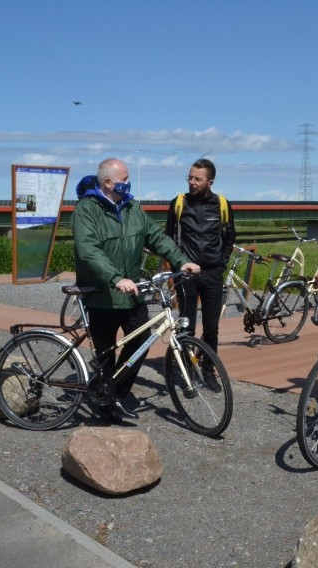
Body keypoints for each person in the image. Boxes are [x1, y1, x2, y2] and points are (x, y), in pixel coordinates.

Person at [72, 157, 200, 421]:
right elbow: (88, 250)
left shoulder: (132, 207)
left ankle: (114, 393)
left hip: (131, 291)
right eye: (124, 179)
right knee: (106, 353)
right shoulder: (87, 209)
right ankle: (105, 406)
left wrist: (181, 260)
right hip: (100, 294)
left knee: (141, 340)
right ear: (108, 183)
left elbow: (155, 236)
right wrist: (115, 278)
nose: (129, 184)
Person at [165, 158, 236, 359]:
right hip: (186, 274)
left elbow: (230, 239)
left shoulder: (221, 204)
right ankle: (188, 369)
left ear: (210, 181)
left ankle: (208, 370)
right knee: (186, 325)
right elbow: (168, 238)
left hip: (212, 274)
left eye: (198, 179)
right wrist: (176, 265)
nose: (192, 182)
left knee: (212, 328)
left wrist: (221, 264)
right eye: (190, 178)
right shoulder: (179, 203)